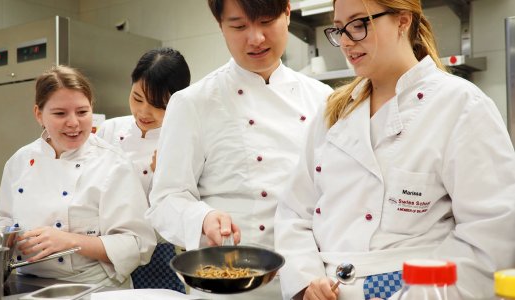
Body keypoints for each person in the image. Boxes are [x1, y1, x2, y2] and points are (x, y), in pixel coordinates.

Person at [274, 0, 515, 299]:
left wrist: (419, 293)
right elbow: (295, 212)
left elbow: (491, 233)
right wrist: (307, 281)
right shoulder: (333, 112)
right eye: (339, 29)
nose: (346, 41)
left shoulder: (461, 106)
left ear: (402, 21)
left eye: (359, 24)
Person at [145, 0, 333, 299]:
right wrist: (202, 218)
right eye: (239, 26)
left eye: (267, 21)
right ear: (221, 26)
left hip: (311, 282)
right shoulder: (193, 103)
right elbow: (166, 199)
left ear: (287, 13)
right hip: (230, 284)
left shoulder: (324, 99)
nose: (255, 38)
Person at [0, 65, 157, 288]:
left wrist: (69, 241)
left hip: (92, 288)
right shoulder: (19, 161)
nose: (74, 123)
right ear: (39, 114)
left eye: (82, 112)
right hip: (23, 284)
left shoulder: (113, 164)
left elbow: (136, 244)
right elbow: (10, 226)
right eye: (60, 113)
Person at [96, 47, 191, 292]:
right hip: (107, 252)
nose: (144, 112)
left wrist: (165, 177)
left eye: (159, 105)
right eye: (137, 98)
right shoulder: (107, 131)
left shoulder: (186, 139)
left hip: (162, 255)